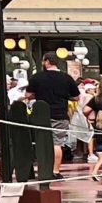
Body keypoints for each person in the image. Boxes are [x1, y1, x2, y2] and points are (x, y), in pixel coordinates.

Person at [26, 53, 75, 182]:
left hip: (41, 114)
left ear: (46, 62)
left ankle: (43, 169)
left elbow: (28, 94)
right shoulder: (66, 77)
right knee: (57, 143)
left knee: (42, 143)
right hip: (60, 113)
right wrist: (64, 96)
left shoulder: (37, 77)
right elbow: (76, 96)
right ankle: (55, 171)